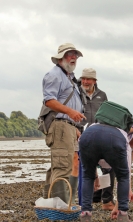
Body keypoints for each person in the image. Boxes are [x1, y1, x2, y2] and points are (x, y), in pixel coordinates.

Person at [79, 122, 133, 222]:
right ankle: (122, 214)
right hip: (105, 142)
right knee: (120, 177)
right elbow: (124, 176)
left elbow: (127, 170)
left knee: (88, 176)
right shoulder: (127, 131)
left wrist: (119, 202)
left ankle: (86, 214)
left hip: (89, 137)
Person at [42, 43, 86, 204]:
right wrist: (70, 112)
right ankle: (59, 206)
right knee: (62, 166)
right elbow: (49, 101)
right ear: (60, 57)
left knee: (63, 164)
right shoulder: (54, 75)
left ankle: (54, 203)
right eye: (70, 54)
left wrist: (74, 127)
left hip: (67, 126)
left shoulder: (68, 77)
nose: (73, 57)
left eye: (75, 54)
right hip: (60, 125)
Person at [72, 68, 114, 208]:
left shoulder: (102, 95)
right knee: (84, 168)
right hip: (80, 134)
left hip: (98, 135)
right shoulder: (75, 93)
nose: (85, 81)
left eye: (88, 79)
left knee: (108, 167)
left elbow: (107, 115)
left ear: (95, 81)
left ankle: (106, 199)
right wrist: (76, 130)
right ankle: (86, 199)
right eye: (83, 78)